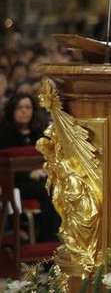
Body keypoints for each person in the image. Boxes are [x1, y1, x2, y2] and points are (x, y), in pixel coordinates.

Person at [0, 93, 60, 242]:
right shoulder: (4, 134)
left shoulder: (38, 133)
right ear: (12, 110)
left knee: (57, 188)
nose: (24, 111)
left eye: (28, 107)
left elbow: (50, 158)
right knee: (47, 190)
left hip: (40, 180)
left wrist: (47, 169)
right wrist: (29, 174)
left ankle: (55, 239)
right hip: (14, 183)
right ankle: (47, 240)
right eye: (20, 107)